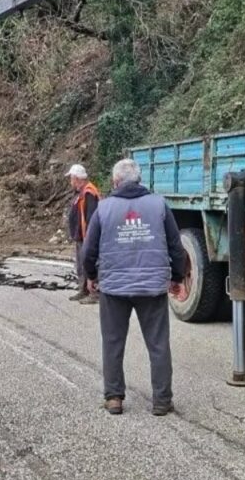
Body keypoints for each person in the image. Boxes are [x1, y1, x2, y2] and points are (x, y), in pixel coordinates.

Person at [82, 159, 187, 417]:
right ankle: (162, 401)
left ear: (116, 182)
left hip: (114, 289)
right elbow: (176, 246)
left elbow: (88, 250)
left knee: (113, 342)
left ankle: (114, 398)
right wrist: (176, 277)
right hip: (152, 288)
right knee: (158, 344)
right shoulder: (159, 205)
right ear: (139, 180)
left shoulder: (104, 209)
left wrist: (92, 275)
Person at [66, 164, 101, 303]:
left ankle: (94, 293)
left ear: (77, 178)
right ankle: (84, 289)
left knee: (89, 263)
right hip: (80, 236)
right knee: (81, 264)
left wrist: (90, 239)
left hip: (86, 237)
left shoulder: (89, 193)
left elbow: (91, 217)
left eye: (71, 179)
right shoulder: (82, 192)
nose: (70, 182)